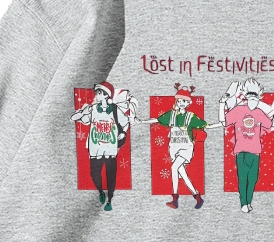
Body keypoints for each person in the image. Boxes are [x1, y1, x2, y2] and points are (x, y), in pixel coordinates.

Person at [138, 86, 207, 209]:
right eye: (179, 101)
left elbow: (205, 125)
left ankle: (175, 199)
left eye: (184, 101)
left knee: (174, 168)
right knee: (183, 174)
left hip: (186, 148)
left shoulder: (190, 116)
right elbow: (157, 120)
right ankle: (197, 196)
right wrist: (141, 122)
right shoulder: (172, 115)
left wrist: (222, 123)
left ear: (188, 103)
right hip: (174, 148)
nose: (181, 103)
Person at [219, 78, 274, 212]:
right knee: (243, 177)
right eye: (250, 97)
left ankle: (248, 202)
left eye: (255, 97)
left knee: (253, 178)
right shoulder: (238, 110)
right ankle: (243, 204)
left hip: (255, 152)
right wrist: (222, 104)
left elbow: (271, 126)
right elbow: (224, 122)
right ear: (245, 97)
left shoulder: (259, 112)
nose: (252, 100)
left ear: (259, 98)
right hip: (241, 151)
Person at [71, 80, 130, 211]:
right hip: (96, 149)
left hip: (110, 149)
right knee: (94, 174)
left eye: (99, 93)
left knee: (111, 176)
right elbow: (76, 118)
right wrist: (82, 112)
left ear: (106, 95)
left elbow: (126, 122)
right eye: (96, 93)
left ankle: (110, 200)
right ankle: (100, 191)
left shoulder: (114, 109)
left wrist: (122, 133)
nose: (96, 96)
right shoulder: (92, 109)